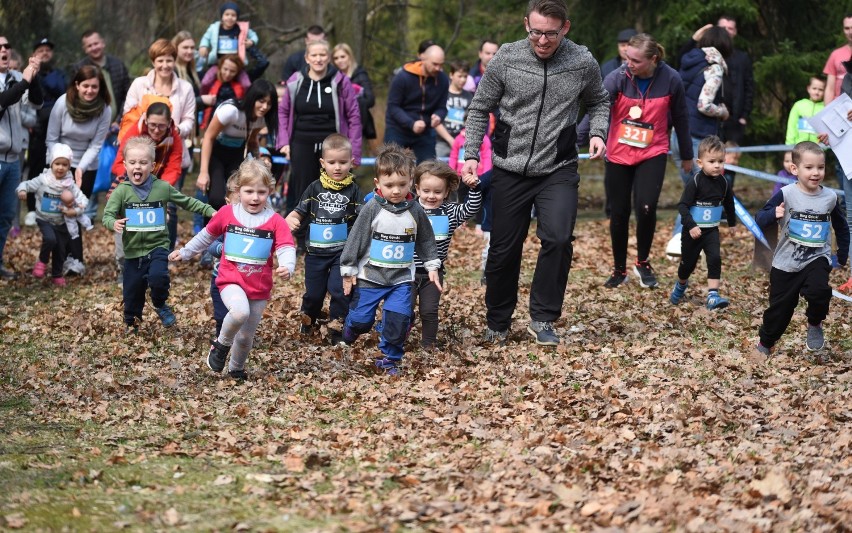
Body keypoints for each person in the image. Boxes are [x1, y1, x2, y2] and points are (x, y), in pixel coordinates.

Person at [461, 0, 609, 346]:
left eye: (550, 34)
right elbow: (479, 108)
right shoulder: (507, 58)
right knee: (503, 249)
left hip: (557, 167)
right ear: (526, 24)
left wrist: (598, 131)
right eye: (535, 32)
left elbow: (600, 101)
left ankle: (543, 318)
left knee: (558, 239)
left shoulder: (581, 61)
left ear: (565, 28)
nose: (542, 41)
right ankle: (497, 321)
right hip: (509, 168)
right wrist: (471, 154)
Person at [170, 159, 296, 381]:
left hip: (259, 286)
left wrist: (287, 266)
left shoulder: (275, 221)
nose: (255, 197)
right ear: (238, 190)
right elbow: (206, 236)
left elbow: (286, 246)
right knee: (239, 312)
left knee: (247, 336)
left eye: (261, 192)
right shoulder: (227, 213)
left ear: (270, 191)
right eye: (249, 191)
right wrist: (187, 251)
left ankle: (236, 368)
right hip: (230, 280)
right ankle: (220, 345)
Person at [340, 144, 441, 375]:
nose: (396, 191)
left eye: (402, 185)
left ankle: (389, 358)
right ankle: (352, 326)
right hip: (370, 277)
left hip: (401, 279)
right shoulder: (372, 208)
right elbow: (355, 239)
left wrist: (432, 265)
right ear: (378, 184)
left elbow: (426, 240)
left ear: (411, 183)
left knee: (398, 319)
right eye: (389, 186)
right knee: (362, 321)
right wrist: (348, 270)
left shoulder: (415, 210)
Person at [603, 33, 693, 290]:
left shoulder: (671, 78)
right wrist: (579, 139)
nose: (628, 62)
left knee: (646, 208)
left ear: (653, 59)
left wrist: (686, 155)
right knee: (618, 212)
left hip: (652, 152)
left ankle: (642, 262)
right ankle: (619, 269)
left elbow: (681, 118)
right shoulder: (617, 77)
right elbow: (598, 109)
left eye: (635, 60)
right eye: (627, 57)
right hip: (619, 153)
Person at [103, 137, 216, 330]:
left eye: (142, 162)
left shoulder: (162, 188)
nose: (137, 167)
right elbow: (107, 215)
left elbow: (187, 202)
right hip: (132, 252)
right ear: (125, 165)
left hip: (157, 247)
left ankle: (160, 303)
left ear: (152, 165)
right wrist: (113, 222)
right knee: (132, 292)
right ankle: (131, 323)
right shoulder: (121, 191)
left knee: (158, 278)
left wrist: (212, 211)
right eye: (132, 162)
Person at [754, 141, 849, 355]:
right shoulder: (786, 194)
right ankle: (765, 344)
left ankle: (815, 324)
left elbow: (841, 226)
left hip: (817, 258)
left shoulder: (830, 197)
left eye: (821, 167)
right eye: (809, 167)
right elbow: (759, 218)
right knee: (779, 310)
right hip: (786, 261)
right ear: (794, 169)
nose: (816, 172)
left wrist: (841, 254)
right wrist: (772, 215)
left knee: (819, 291)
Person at [285, 134, 363, 345]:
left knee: (340, 292)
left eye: (343, 162)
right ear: (322, 163)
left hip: (341, 253)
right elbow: (298, 211)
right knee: (314, 295)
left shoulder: (354, 190)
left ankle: (337, 331)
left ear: (351, 162)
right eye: (332, 162)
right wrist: (291, 218)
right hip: (316, 253)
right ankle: (308, 321)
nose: (337, 167)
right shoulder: (314, 188)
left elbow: (361, 220)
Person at [276, 40, 361, 214]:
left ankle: (334, 227)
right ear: (307, 58)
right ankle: (300, 234)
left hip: (333, 144)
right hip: (301, 141)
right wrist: (284, 142)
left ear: (328, 57)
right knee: (302, 189)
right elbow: (283, 112)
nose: (318, 59)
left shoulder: (340, 81)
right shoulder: (295, 80)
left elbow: (354, 116)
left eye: (322, 55)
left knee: (333, 188)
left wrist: (355, 152)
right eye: (314, 55)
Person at [411, 160, 481, 350]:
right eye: (426, 191)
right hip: (406, 271)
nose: (431, 196)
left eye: (437, 192)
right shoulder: (410, 209)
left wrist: (474, 189)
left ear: (446, 192)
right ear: (417, 189)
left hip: (433, 274)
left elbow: (470, 209)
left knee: (429, 310)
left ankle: (428, 344)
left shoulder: (449, 211)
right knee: (404, 309)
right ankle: (398, 335)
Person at [47, 65, 110, 270]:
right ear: (77, 85)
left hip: (87, 165)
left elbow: (96, 144)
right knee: (57, 213)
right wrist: (61, 166)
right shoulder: (62, 103)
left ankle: (76, 260)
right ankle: (58, 259)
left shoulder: (104, 109)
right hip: (60, 161)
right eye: (86, 86)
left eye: (94, 86)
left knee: (75, 210)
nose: (90, 90)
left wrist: (80, 168)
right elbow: (51, 138)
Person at [669, 136, 736, 310]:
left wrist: (732, 223)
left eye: (720, 161)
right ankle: (681, 284)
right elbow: (683, 206)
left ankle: (713, 295)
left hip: (711, 230)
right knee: (688, 265)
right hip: (692, 231)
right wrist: (691, 226)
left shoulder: (724, 183)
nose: (717, 165)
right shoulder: (695, 182)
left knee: (714, 258)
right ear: (700, 162)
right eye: (712, 161)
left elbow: (729, 203)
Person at [196, 79, 278, 212]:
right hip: (216, 153)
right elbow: (208, 138)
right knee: (216, 199)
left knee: (237, 198)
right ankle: (211, 230)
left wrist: (260, 162)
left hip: (237, 155)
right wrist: (203, 172)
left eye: (269, 104)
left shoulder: (262, 119)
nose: (264, 107)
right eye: (261, 101)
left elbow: (252, 141)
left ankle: (232, 230)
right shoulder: (231, 111)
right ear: (252, 98)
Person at [0, 36, 42, 280]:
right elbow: (3, 101)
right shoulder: (18, 81)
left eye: (7, 45)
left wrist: (33, 76)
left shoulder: (17, 78)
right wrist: (25, 81)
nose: (4, 49)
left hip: (14, 160)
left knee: (5, 217)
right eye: (0, 47)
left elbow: (37, 103)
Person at [15, 143, 86, 286]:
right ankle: (42, 261)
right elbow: (27, 184)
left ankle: (57, 275)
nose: (60, 167)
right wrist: (22, 190)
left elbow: (83, 200)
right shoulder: (44, 179)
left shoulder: (70, 184)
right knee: (50, 239)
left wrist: (75, 211)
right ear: (51, 163)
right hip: (44, 219)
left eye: (64, 165)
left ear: (68, 166)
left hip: (62, 221)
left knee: (60, 250)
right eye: (57, 163)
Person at [673, 25, 732, 185]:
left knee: (692, 191)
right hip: (698, 137)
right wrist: (722, 112)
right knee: (706, 192)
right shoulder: (715, 68)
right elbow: (704, 105)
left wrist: (693, 38)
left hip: (677, 135)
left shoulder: (689, 61)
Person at [23, 38, 67, 228]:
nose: (45, 53)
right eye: (40, 50)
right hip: (37, 129)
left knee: (58, 167)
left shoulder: (59, 74)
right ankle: (32, 209)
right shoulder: (29, 73)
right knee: (35, 167)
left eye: (48, 50)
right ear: (34, 55)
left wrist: (43, 77)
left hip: (59, 128)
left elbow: (61, 90)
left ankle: (55, 207)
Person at [384, 44, 449, 163]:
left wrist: (439, 116)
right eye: (435, 64)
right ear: (423, 60)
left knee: (428, 169)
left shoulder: (443, 80)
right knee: (391, 167)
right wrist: (411, 123)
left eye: (441, 64)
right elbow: (393, 107)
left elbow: (442, 107)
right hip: (398, 128)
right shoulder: (402, 77)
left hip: (425, 131)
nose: (438, 68)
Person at [448, 113, 493, 284]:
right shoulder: (459, 139)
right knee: (462, 199)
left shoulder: (485, 140)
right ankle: (462, 221)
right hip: (461, 175)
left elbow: (488, 156)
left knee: (480, 202)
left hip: (478, 175)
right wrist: (451, 171)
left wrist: (484, 175)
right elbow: (453, 155)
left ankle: (480, 224)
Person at [70, 30, 130, 130]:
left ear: (103, 43)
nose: (94, 48)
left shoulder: (118, 64)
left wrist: (119, 120)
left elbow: (128, 95)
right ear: (85, 49)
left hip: (119, 127)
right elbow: (75, 99)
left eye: (96, 43)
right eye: (89, 46)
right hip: (90, 128)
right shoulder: (79, 69)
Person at [716, 15, 754, 144]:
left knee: (732, 160)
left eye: (730, 28)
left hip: (735, 121)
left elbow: (749, 87)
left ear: (735, 32)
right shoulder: (707, 55)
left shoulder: (743, 58)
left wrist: (744, 116)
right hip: (712, 117)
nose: (726, 31)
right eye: (723, 28)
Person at [333, 43, 377, 150]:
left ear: (350, 57)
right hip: (338, 128)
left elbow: (370, 100)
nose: (340, 60)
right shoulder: (333, 77)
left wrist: (352, 100)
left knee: (359, 162)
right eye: (336, 58)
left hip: (359, 127)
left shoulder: (360, 75)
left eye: (343, 56)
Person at [197, 2, 259, 76]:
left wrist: (251, 41)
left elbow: (254, 35)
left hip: (236, 65)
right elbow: (206, 38)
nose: (230, 17)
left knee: (245, 84)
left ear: (237, 17)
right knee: (206, 82)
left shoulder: (242, 28)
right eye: (227, 14)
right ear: (222, 16)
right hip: (217, 63)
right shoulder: (214, 28)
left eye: (233, 15)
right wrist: (203, 46)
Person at [434, 60, 472, 158]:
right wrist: (450, 140)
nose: (463, 80)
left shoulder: (469, 97)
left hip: (462, 143)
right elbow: (435, 121)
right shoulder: (442, 94)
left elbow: (471, 121)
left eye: (465, 76)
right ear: (451, 75)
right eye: (459, 76)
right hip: (442, 142)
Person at [199, 54, 247, 129]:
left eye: (232, 71)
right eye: (225, 69)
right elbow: (204, 85)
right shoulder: (212, 82)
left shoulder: (239, 86)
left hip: (232, 124)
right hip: (212, 120)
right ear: (220, 68)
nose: (228, 74)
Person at [785, 76, 825, 146]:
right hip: (798, 147)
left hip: (817, 149)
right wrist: (789, 147)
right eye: (814, 88)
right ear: (808, 89)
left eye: (820, 90)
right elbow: (791, 127)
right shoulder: (798, 105)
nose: (817, 92)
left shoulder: (826, 108)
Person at [822, 14, 852, 105]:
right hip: (839, 109)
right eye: (847, 28)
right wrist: (827, 111)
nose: (850, 32)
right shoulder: (836, 54)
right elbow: (830, 88)